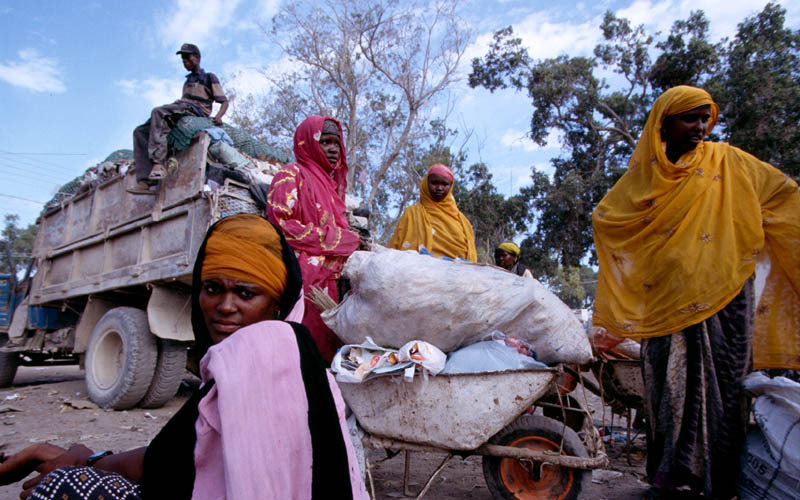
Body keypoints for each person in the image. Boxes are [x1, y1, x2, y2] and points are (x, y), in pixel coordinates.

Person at [0, 214, 368, 500]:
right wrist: (88, 456)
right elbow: (184, 450)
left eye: (245, 293)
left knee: (64, 487)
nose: (225, 307)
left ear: (276, 303)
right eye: (212, 289)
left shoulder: (260, 351)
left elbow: (166, 468)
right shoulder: (295, 352)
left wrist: (83, 462)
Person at [592, 86, 800, 499]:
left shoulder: (730, 163)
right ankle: (670, 480)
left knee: (722, 392)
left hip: (726, 300)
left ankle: (720, 485)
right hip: (665, 306)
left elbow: (784, 197)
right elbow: (607, 217)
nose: (701, 127)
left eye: (706, 118)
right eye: (690, 118)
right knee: (669, 396)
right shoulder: (642, 180)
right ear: (662, 125)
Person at [266, 116, 362, 363]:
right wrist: (341, 240)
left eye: (336, 143)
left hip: (331, 284)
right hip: (301, 283)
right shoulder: (291, 176)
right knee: (299, 353)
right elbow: (282, 225)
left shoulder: (333, 189)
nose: (333, 149)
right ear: (306, 143)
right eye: (325, 141)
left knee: (326, 357)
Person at [130, 43, 228, 194]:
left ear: (197, 57)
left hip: (195, 110)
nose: (185, 62)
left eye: (187, 58)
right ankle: (144, 180)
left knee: (158, 112)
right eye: (183, 60)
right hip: (181, 107)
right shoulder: (187, 81)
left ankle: (158, 163)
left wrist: (219, 116)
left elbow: (224, 101)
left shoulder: (208, 77)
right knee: (140, 131)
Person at [387, 164, 477, 262]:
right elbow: (394, 248)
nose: (439, 188)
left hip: (459, 275)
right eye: (434, 183)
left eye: (444, 184)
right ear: (426, 183)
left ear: (451, 186)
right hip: (417, 274)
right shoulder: (412, 213)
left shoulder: (464, 222)